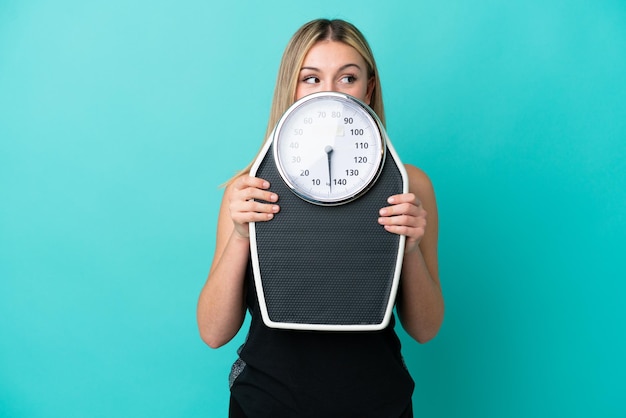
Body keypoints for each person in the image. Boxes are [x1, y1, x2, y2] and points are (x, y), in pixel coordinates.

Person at [197, 18, 444, 418]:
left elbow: (425, 329)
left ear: (369, 87)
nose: (329, 93)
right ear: (290, 88)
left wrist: (410, 247)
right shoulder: (250, 189)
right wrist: (241, 235)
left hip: (378, 404)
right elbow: (213, 332)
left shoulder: (409, 184)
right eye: (311, 78)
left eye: (347, 78)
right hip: (266, 404)